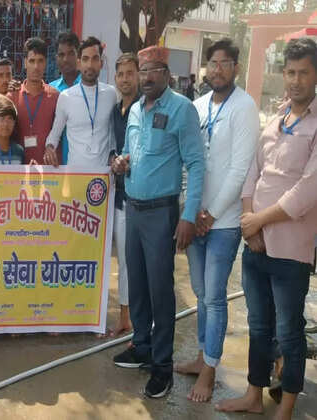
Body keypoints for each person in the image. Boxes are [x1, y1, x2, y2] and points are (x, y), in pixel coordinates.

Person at [216, 37, 317, 420]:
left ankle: (286, 408)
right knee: (258, 327)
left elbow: (306, 191)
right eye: (290, 72)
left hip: (291, 250)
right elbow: (252, 174)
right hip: (256, 245)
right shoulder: (276, 120)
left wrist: (259, 219)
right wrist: (249, 223)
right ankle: (254, 395)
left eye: (303, 73)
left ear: (315, 76)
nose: (295, 80)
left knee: (289, 331)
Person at [111, 46, 204, 399]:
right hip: (133, 208)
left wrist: (188, 215)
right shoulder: (135, 109)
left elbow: (196, 164)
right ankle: (142, 346)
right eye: (143, 70)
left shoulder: (182, 109)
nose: (146, 77)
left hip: (162, 213)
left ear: (166, 74)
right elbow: (131, 151)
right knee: (136, 282)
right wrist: (121, 162)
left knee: (160, 290)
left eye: (153, 70)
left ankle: (162, 365)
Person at [173, 38, 260, 403]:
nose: (218, 69)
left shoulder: (245, 107)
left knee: (215, 296)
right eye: (213, 63)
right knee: (200, 292)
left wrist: (210, 215)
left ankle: (210, 369)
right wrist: (190, 211)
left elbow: (239, 169)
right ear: (206, 67)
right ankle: (202, 355)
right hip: (196, 218)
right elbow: (188, 162)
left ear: (236, 68)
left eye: (225, 63)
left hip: (223, 223)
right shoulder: (197, 106)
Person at [44, 36, 117, 169]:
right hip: (75, 175)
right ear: (79, 63)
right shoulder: (66, 97)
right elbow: (54, 135)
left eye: (95, 59)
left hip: (103, 175)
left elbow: (112, 132)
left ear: (101, 63)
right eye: (85, 59)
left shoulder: (111, 94)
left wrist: (113, 154)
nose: (90, 65)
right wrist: (49, 148)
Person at [108, 52, 140, 338]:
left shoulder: (144, 108)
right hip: (117, 194)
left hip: (139, 197)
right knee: (122, 261)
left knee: (133, 261)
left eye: (130, 73)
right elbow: (111, 145)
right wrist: (113, 159)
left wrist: (128, 161)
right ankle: (125, 317)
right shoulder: (115, 110)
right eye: (121, 74)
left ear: (138, 76)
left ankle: (133, 320)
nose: (125, 79)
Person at [7, 37, 59, 164]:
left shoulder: (55, 96)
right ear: (25, 63)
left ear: (45, 63)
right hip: (18, 168)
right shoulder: (12, 96)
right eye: (32, 61)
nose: (36, 67)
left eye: (40, 61)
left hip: (47, 169)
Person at [49, 31, 82, 166]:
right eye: (61, 55)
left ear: (78, 55)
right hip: (56, 166)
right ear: (56, 58)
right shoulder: (51, 90)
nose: (66, 59)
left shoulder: (88, 88)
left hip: (83, 165)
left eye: (70, 53)